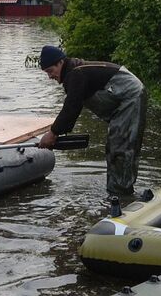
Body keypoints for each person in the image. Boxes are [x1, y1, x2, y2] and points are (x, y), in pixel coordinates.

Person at [35, 44, 145, 207]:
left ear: (60, 62)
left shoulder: (75, 74)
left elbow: (71, 108)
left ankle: (121, 198)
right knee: (115, 146)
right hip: (123, 100)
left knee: (120, 148)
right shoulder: (74, 72)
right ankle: (119, 193)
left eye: (50, 71)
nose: (50, 76)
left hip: (130, 97)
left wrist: (52, 133)